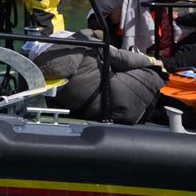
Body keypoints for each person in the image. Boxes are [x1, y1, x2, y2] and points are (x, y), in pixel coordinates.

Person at [30, 29, 166, 124]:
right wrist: (153, 61)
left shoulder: (36, 67)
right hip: (122, 103)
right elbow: (122, 58)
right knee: (153, 73)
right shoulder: (85, 41)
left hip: (88, 112)